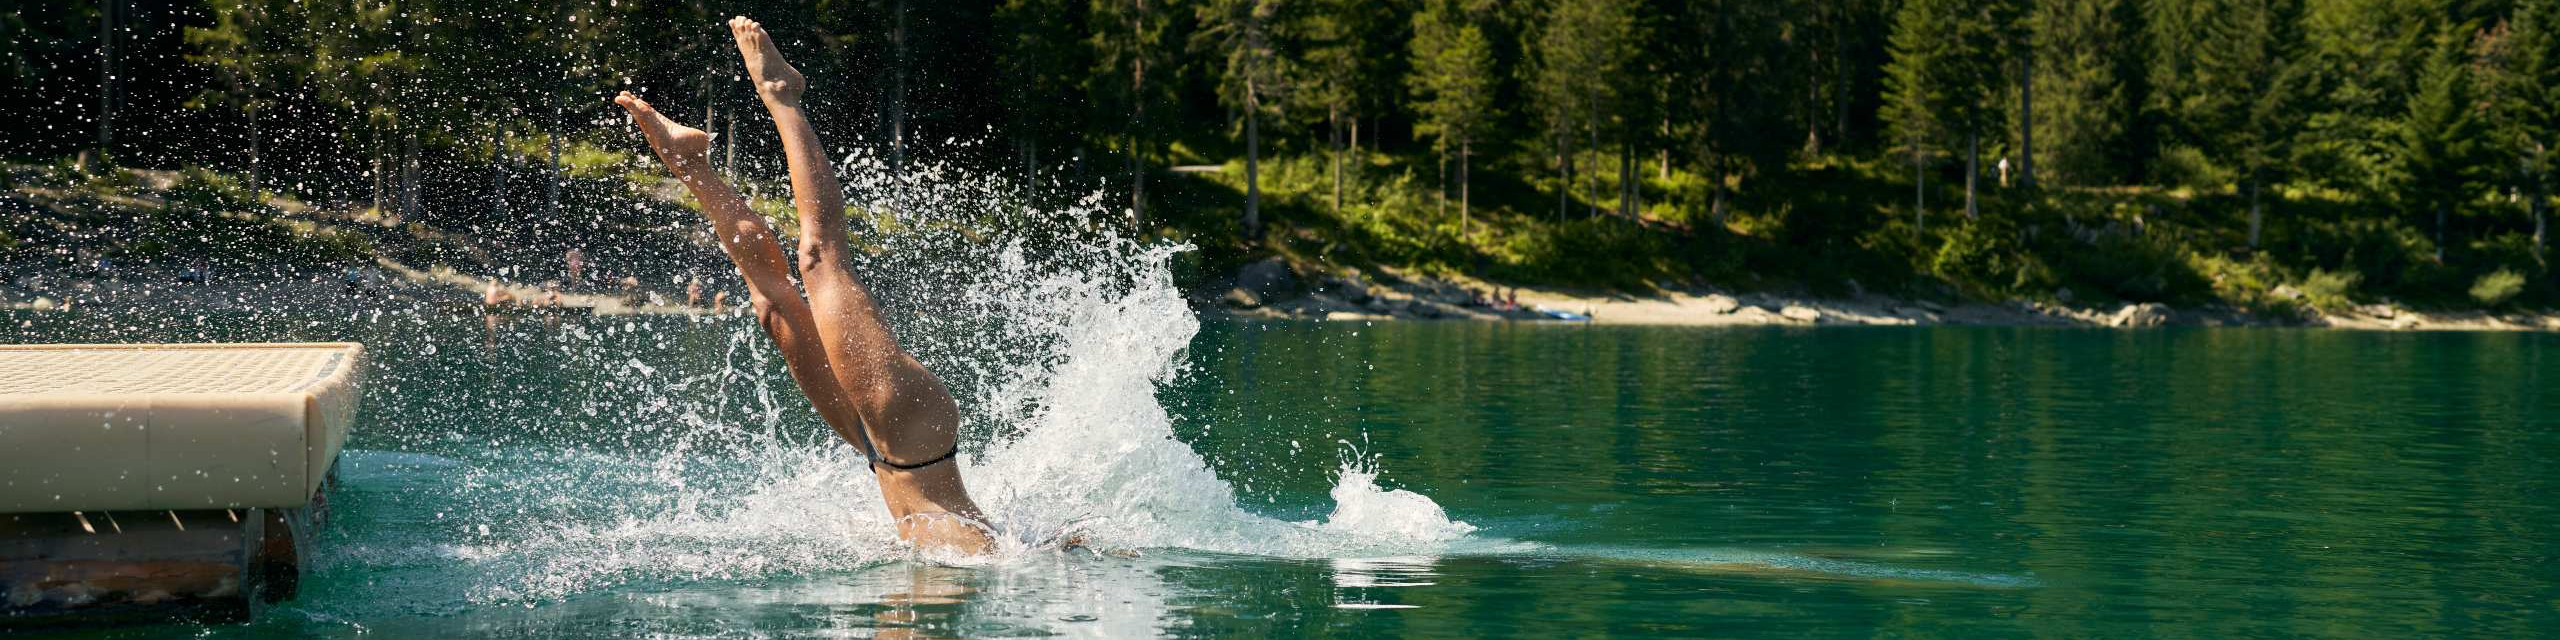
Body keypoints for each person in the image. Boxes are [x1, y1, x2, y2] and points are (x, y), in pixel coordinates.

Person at [613, 16, 993, 554]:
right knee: (821, 259)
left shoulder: (982, 551)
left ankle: (688, 160)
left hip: (878, 449)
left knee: (771, 304)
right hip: (912, 432)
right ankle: (783, 94)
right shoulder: (979, 560)